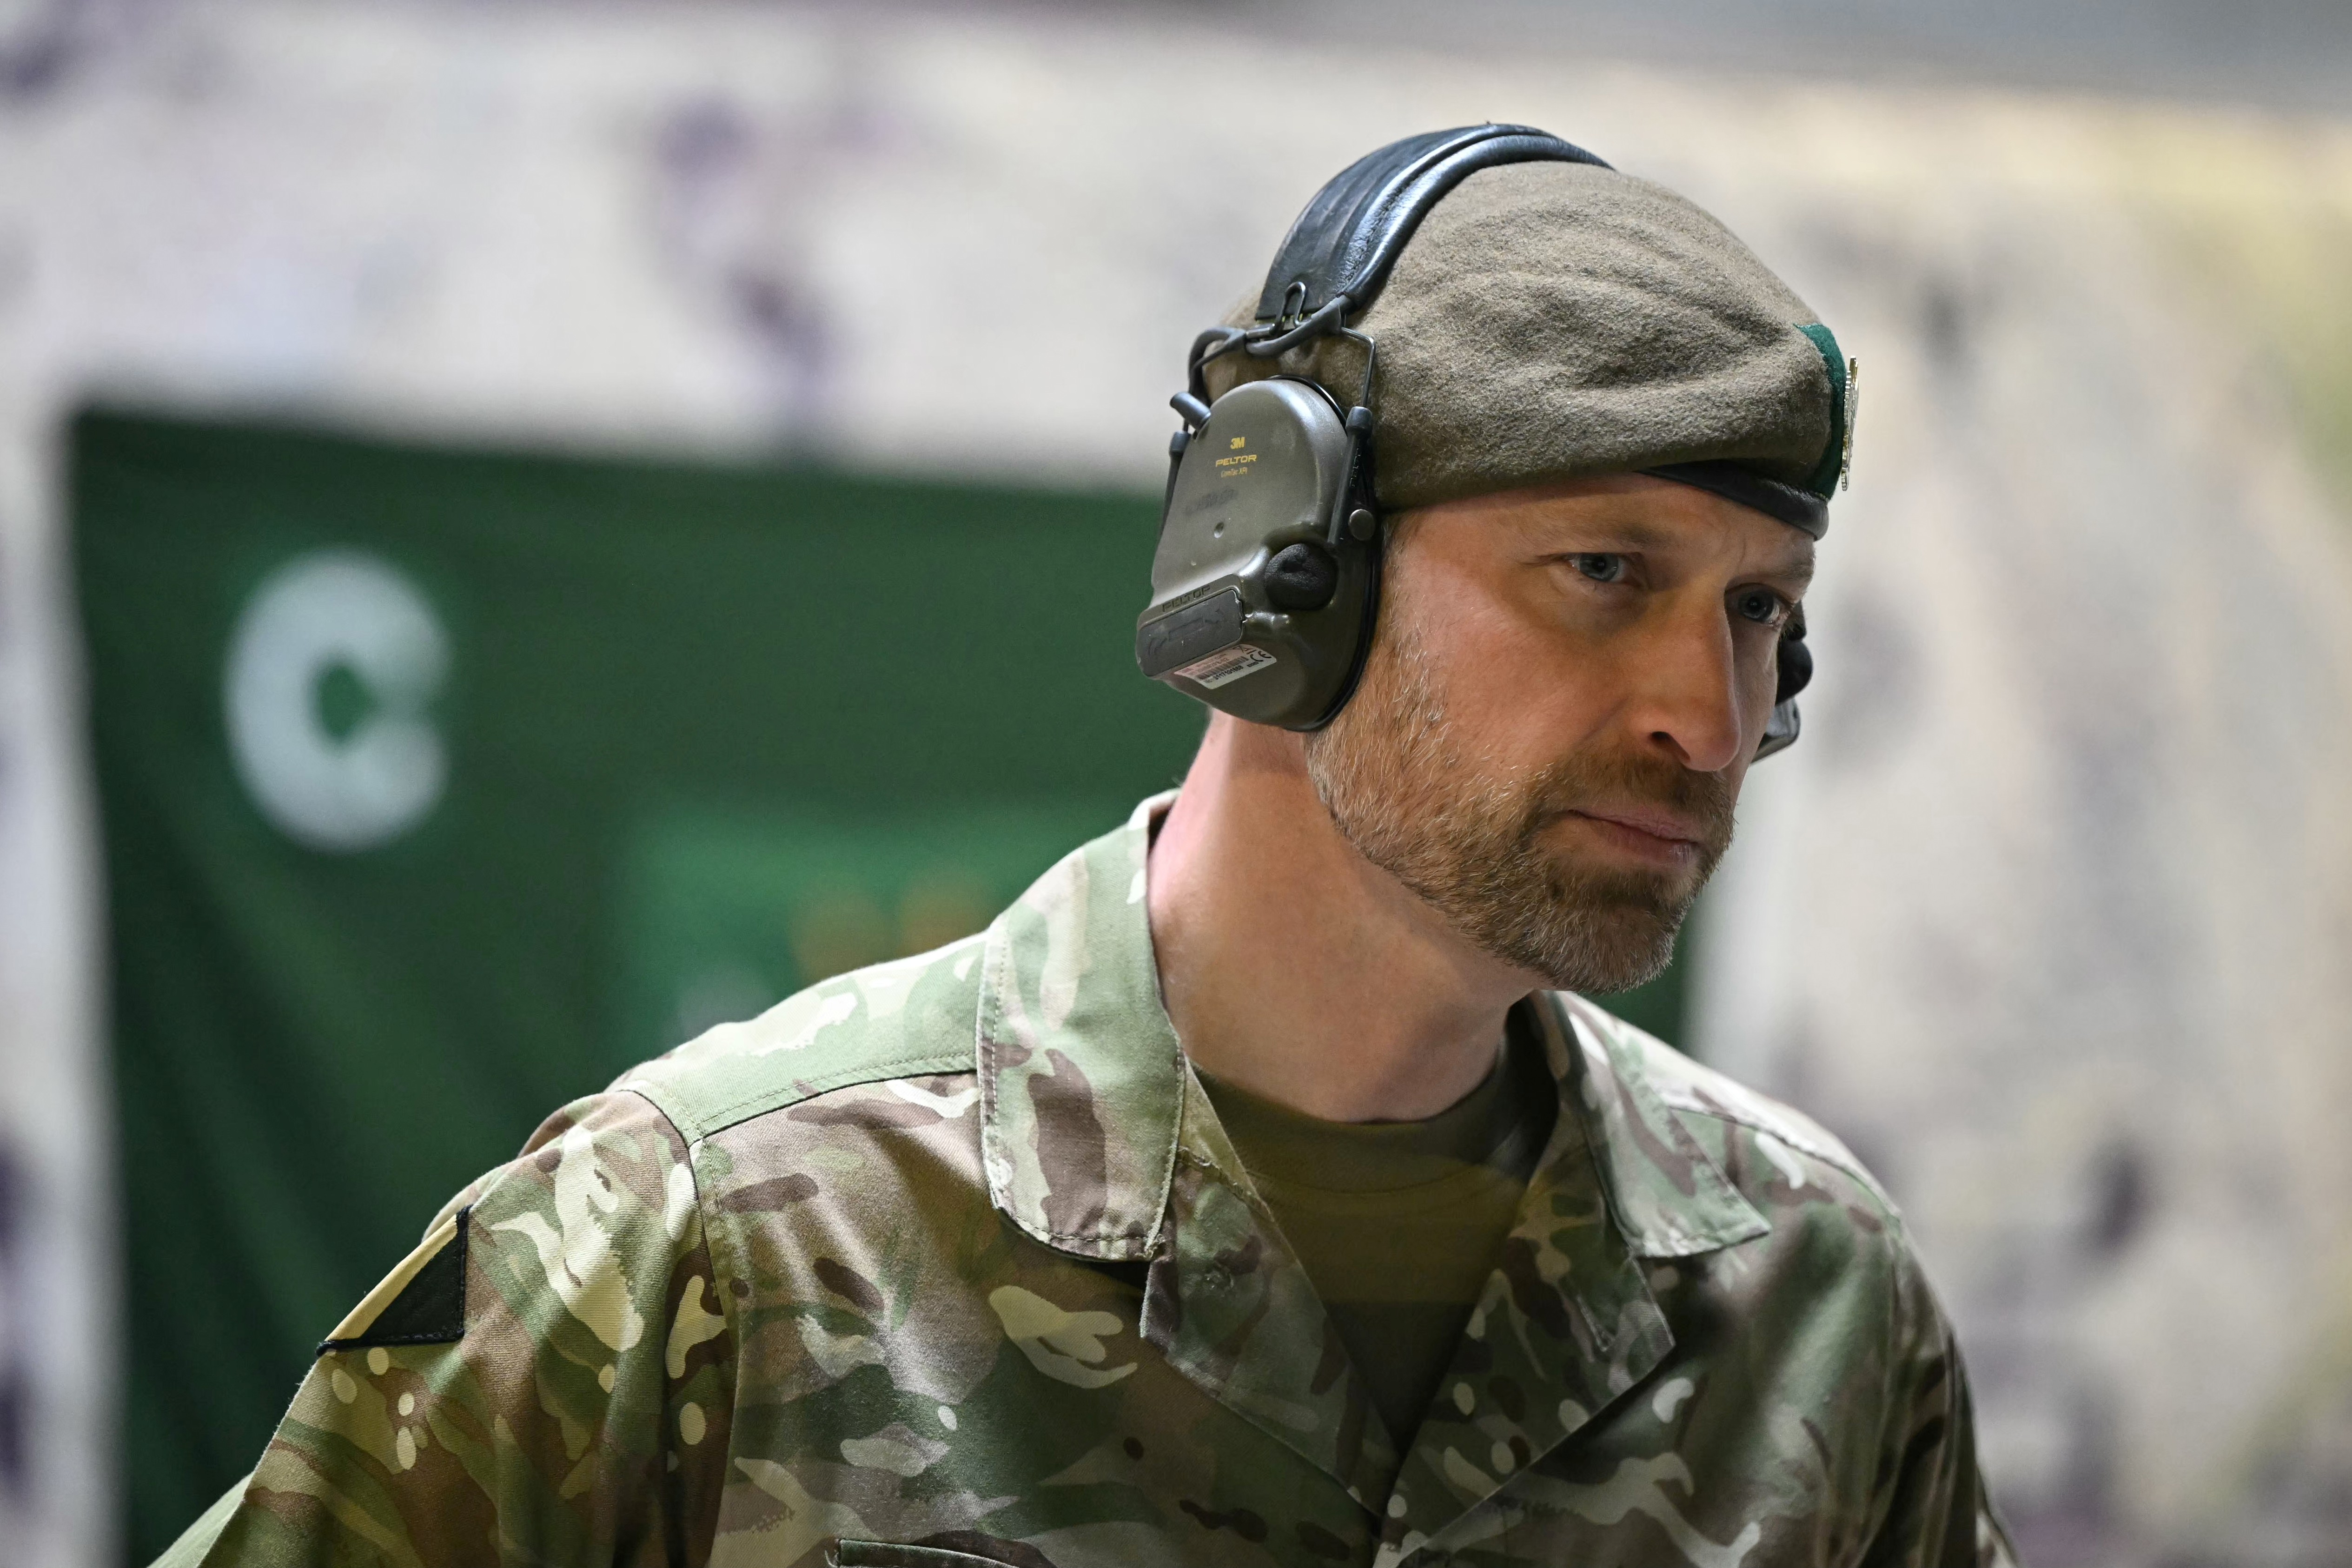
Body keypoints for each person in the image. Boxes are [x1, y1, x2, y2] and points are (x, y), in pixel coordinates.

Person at [157, 127, 2014, 1568]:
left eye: (1759, 613)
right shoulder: (708, 1235)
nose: (1708, 711)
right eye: (1602, 574)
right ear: (1287, 565)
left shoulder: (1812, 1302)